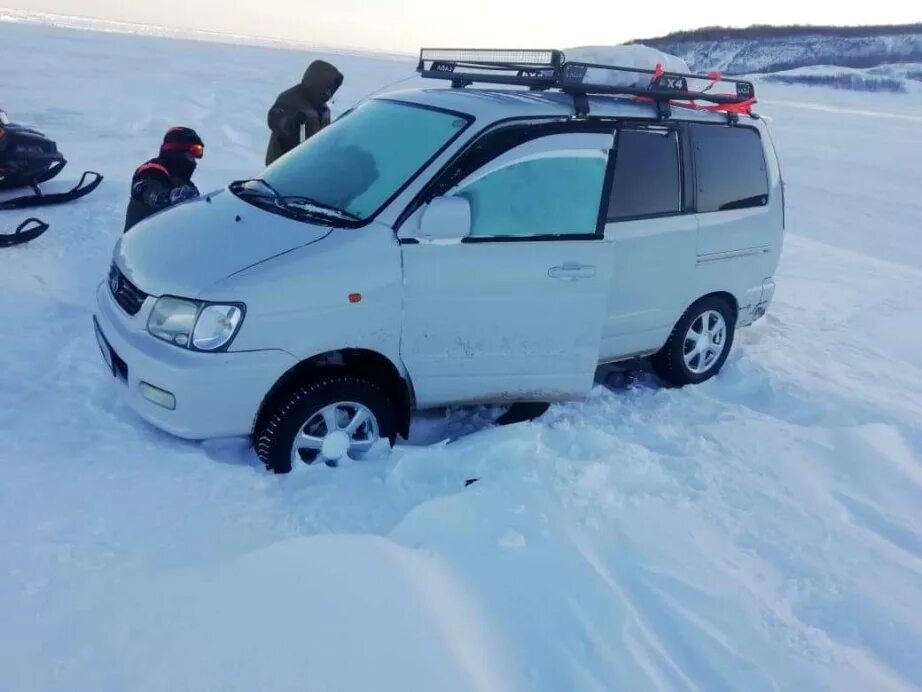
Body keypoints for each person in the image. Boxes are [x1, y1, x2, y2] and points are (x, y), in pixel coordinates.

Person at [124, 127, 203, 233]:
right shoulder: (151, 170)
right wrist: (165, 197)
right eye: (191, 154)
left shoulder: (185, 184)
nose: (193, 160)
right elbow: (146, 189)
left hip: (169, 244)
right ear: (177, 151)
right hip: (141, 244)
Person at [265, 60, 343, 165]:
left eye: (331, 90)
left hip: (309, 164)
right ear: (318, 83)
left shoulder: (323, 108)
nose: (329, 94)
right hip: (283, 166)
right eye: (327, 88)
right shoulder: (290, 98)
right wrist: (290, 122)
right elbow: (275, 119)